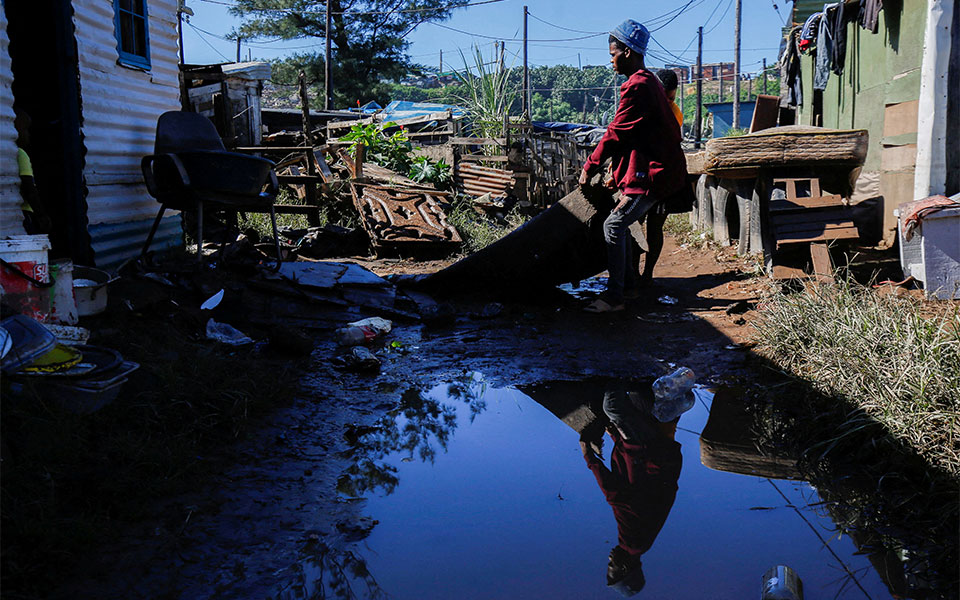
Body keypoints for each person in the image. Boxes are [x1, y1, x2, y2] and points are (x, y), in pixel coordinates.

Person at [578, 20, 689, 312]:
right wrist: (618, 175)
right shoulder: (649, 82)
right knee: (623, 225)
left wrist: (590, 166)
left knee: (614, 226)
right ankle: (628, 287)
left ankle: (615, 297)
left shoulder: (638, 85)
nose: (611, 60)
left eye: (612, 54)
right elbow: (633, 137)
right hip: (654, 169)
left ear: (626, 52)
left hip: (654, 174)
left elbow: (615, 134)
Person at [579, 386, 682, 596]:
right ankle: (617, 370)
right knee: (613, 407)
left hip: (656, 454)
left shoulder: (642, 544)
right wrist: (589, 457)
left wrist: (617, 438)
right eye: (611, 566)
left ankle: (642, 379)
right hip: (649, 451)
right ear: (625, 569)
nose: (609, 559)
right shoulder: (632, 542)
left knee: (637, 399)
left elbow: (630, 480)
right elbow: (616, 496)